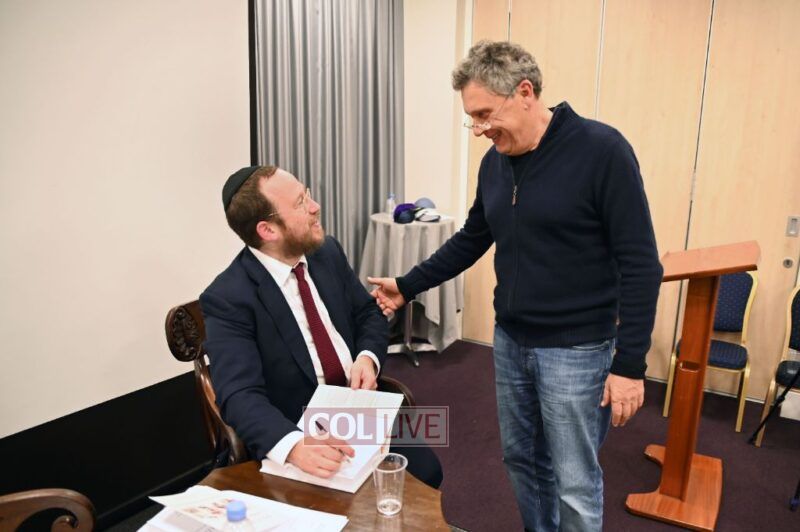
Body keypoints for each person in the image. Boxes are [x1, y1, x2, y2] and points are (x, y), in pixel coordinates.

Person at [369, 41, 662, 531]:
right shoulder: (495, 163)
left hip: (576, 350)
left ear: (525, 92)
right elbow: (471, 239)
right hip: (511, 343)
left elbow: (641, 264)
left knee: (574, 479)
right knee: (522, 461)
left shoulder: (602, 151)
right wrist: (407, 285)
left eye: (485, 114)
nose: (479, 129)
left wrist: (630, 365)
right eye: (471, 118)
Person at [200, 165, 442, 488]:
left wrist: (367, 357)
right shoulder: (229, 297)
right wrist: (294, 445)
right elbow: (239, 395)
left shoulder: (326, 253)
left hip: (358, 409)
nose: (315, 207)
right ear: (268, 230)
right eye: (300, 203)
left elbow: (367, 314)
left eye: (308, 194)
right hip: (299, 428)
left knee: (427, 473)